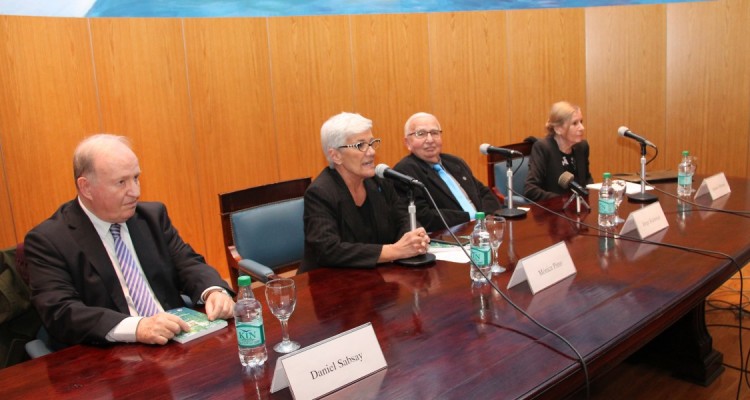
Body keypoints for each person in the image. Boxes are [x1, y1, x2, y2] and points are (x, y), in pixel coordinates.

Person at [24, 134, 235, 346]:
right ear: (86, 187)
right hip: (109, 356)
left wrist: (213, 291)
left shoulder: (152, 216)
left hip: (176, 342)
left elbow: (187, 263)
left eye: (136, 178)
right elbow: (61, 312)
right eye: (121, 182)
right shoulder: (48, 240)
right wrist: (137, 327)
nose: (135, 192)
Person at [300, 112, 429, 273]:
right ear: (336, 155)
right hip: (331, 283)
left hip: (378, 279)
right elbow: (328, 249)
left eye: (372, 143)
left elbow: (403, 219)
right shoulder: (320, 193)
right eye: (360, 145)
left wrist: (414, 238)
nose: (371, 152)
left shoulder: (380, 182)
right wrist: (394, 251)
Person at [393, 112, 502, 232]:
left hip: (481, 230)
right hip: (449, 236)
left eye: (434, 133)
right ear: (407, 142)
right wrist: (471, 218)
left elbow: (484, 193)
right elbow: (423, 216)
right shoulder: (404, 171)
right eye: (421, 134)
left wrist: (485, 217)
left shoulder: (455, 162)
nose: (430, 140)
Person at [524, 101, 593, 202]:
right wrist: (563, 201)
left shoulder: (582, 147)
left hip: (579, 209)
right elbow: (531, 190)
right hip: (553, 212)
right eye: (574, 123)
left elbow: (587, 179)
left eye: (581, 122)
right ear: (558, 129)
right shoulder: (543, 148)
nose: (582, 128)